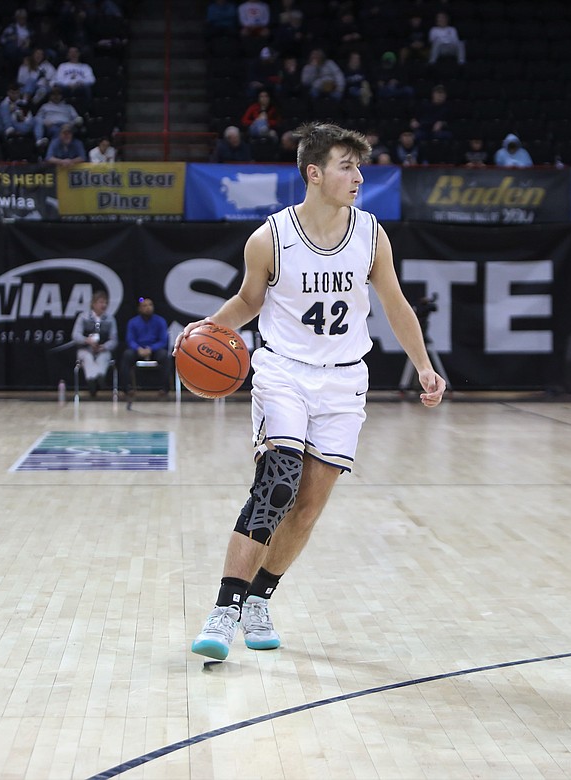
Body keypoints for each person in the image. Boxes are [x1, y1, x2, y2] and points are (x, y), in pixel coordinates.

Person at [182, 122, 446, 661]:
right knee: (276, 484)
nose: (358, 176)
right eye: (347, 166)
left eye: (359, 165)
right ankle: (224, 609)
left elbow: (395, 305)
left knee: (308, 504)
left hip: (345, 379)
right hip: (284, 372)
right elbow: (249, 300)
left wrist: (424, 365)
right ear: (315, 173)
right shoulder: (270, 237)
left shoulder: (372, 234)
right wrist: (204, 332)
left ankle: (259, 598)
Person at [70, 290, 119, 399]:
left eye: (105, 303)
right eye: (101, 302)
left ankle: (98, 378)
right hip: (86, 349)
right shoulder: (83, 317)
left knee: (103, 357)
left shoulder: (110, 319)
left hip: (102, 349)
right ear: (93, 304)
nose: (104, 305)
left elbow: (114, 340)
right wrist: (87, 340)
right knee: (87, 358)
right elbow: (75, 335)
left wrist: (104, 347)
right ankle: (93, 380)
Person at [120, 296, 170, 398]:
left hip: (154, 349)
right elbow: (130, 340)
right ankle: (127, 388)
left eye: (150, 305)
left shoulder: (160, 321)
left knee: (165, 356)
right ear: (139, 308)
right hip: (138, 349)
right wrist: (138, 349)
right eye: (145, 306)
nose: (148, 308)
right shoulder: (133, 322)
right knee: (127, 355)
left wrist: (151, 349)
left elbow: (163, 341)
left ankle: (165, 388)